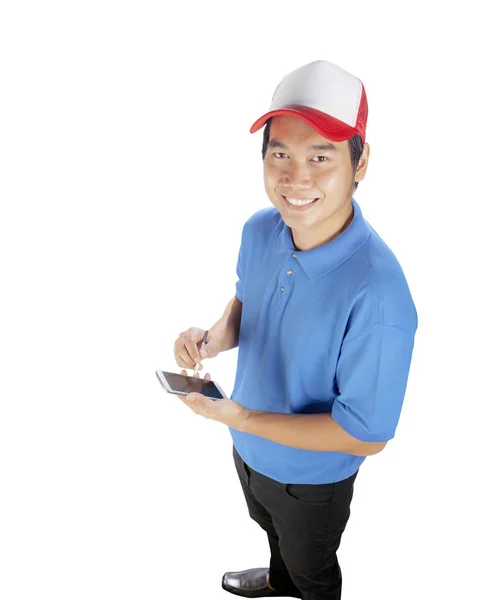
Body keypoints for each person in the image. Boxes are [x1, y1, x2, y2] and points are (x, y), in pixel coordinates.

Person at [173, 60, 418, 600]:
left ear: (361, 162)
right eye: (280, 153)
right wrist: (212, 337)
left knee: (313, 568)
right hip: (246, 445)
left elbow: (365, 435)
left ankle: (301, 584)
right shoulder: (261, 229)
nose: (295, 177)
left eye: (320, 157)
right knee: (269, 528)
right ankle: (279, 578)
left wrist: (239, 415)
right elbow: (247, 302)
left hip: (311, 482)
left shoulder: (379, 296)